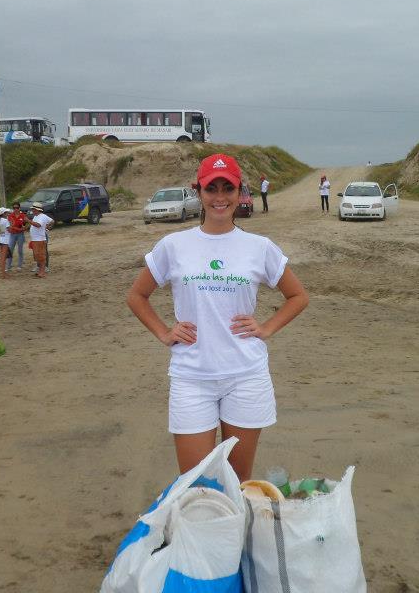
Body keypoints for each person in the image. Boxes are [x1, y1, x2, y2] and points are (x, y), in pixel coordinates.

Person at [126, 153, 309, 483]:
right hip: (192, 377)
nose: (220, 198)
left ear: (241, 193)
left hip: (245, 376)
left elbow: (298, 296)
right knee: (196, 485)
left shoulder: (259, 246)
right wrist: (164, 332)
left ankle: (236, 535)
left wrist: (266, 327)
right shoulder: (174, 245)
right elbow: (136, 296)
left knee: (237, 484)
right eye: (212, 189)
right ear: (199, 191)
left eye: (229, 188)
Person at [26, 203, 54, 277]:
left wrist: (28, 221)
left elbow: (38, 225)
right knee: (37, 256)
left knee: (41, 256)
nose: (32, 210)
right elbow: (52, 221)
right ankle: (41, 271)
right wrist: (47, 226)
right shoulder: (37, 216)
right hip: (36, 239)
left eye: (33, 209)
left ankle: (42, 272)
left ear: (37, 210)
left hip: (40, 239)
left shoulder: (42, 216)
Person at [7, 202, 28, 271]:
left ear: (19, 208)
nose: (16, 209)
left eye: (17, 208)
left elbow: (27, 224)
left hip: (20, 235)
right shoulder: (10, 216)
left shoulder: (23, 215)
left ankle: (20, 265)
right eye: (14, 208)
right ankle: (8, 266)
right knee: (10, 250)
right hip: (13, 234)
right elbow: (10, 226)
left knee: (20, 250)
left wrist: (25, 228)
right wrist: (20, 229)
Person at [0, 207, 11, 279]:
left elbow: (3, 231)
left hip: (1, 239)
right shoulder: (5, 220)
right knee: (3, 257)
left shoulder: (1, 220)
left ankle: (3, 273)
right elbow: (10, 230)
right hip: (5, 240)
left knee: (2, 257)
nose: (8, 213)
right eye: (6, 212)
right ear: (4, 214)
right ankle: (3, 274)